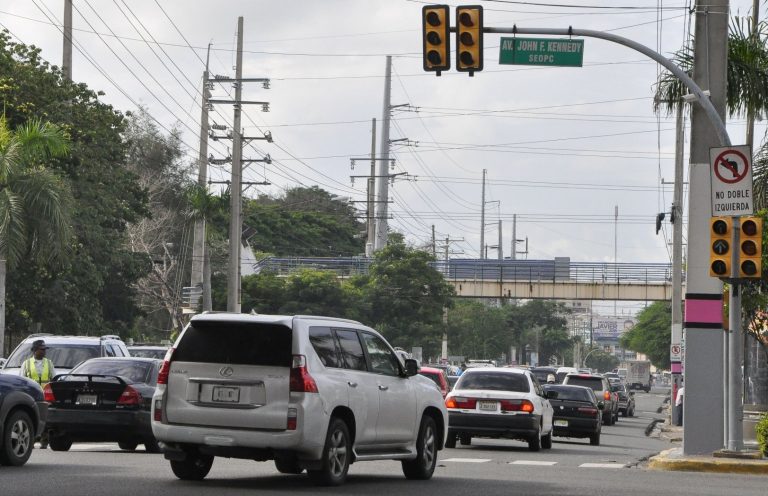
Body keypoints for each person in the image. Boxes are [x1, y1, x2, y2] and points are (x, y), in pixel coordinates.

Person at [20, 339, 56, 448]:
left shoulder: (49, 363)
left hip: (45, 396)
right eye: (42, 349)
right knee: (32, 417)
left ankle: (44, 441)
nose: (44, 351)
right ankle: (31, 441)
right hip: (31, 395)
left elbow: (53, 379)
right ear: (35, 351)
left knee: (44, 418)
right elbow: (22, 380)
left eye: (45, 349)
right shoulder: (26, 363)